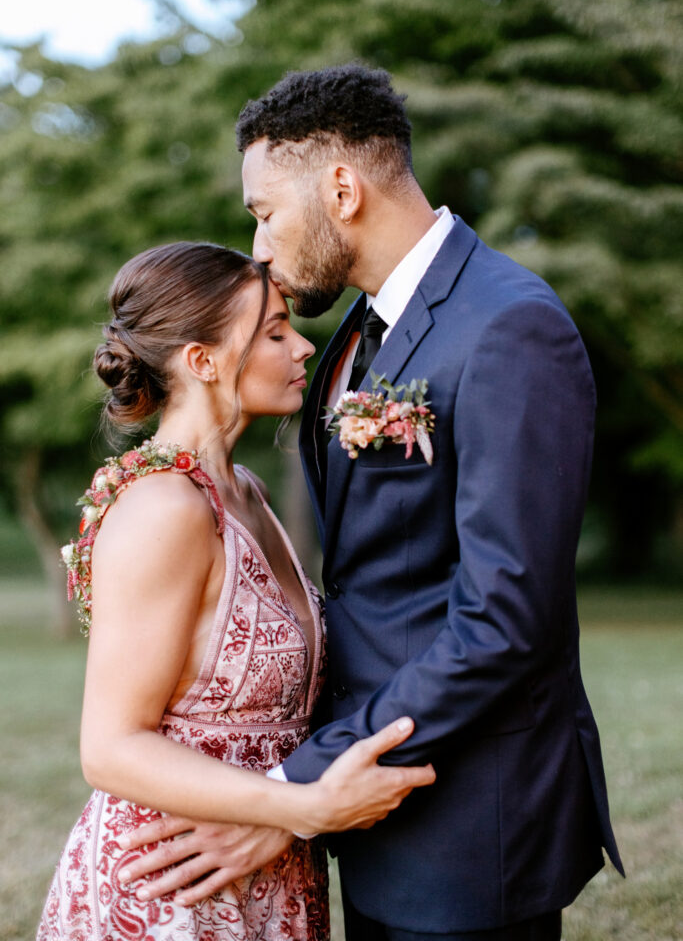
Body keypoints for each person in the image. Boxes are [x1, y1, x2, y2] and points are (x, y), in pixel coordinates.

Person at [121, 67, 624, 940]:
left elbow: (506, 615)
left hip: (471, 815)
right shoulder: (356, 331)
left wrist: (291, 791)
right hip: (371, 811)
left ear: (341, 189)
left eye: (263, 212)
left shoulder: (509, 326)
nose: (260, 249)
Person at [36, 241, 435, 941]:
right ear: (202, 360)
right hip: (171, 885)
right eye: (275, 333)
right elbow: (110, 746)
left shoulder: (244, 491)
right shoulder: (165, 508)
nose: (305, 348)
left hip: (269, 866)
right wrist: (303, 808)